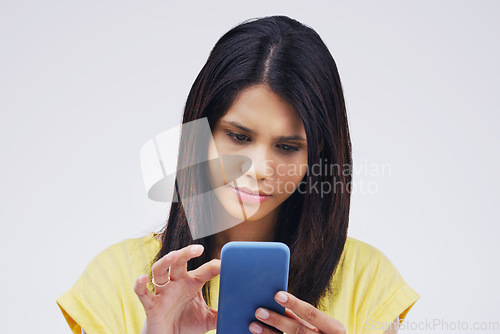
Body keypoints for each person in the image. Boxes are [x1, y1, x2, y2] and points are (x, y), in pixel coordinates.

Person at [56, 15, 420, 334]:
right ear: (200, 133)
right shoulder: (117, 280)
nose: (259, 169)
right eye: (238, 136)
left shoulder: (368, 280)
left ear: (317, 154)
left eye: (288, 146)